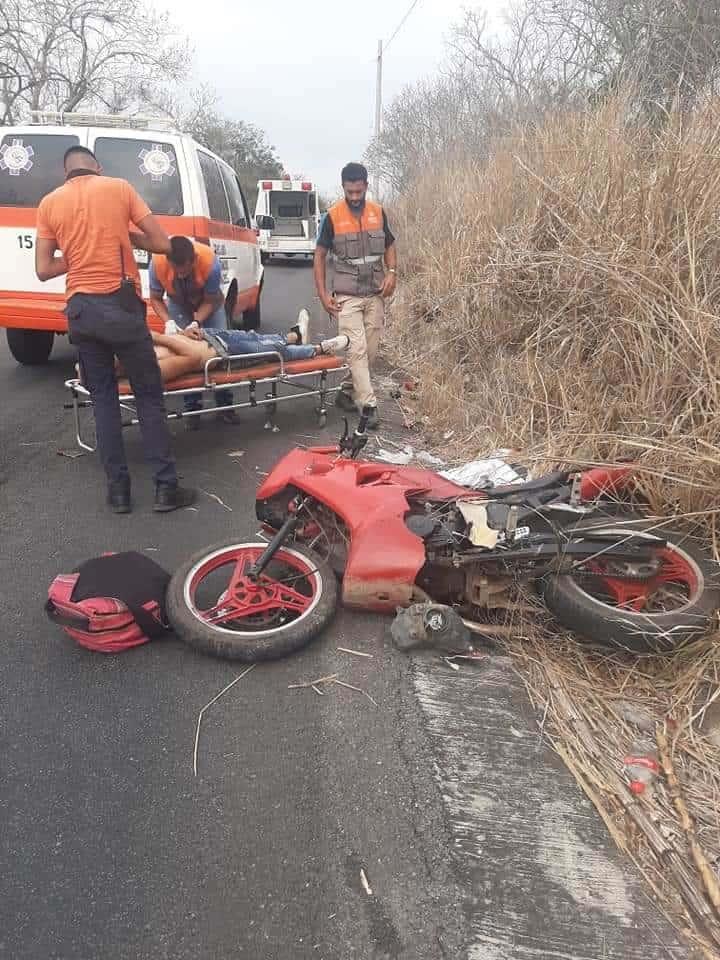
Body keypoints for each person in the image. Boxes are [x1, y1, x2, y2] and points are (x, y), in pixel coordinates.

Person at [35, 145, 196, 515]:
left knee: (104, 402)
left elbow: (43, 269)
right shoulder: (119, 188)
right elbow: (162, 243)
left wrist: (74, 256)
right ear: (97, 168)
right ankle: (165, 488)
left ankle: (118, 492)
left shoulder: (49, 204)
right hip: (121, 306)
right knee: (148, 396)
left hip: (81, 310)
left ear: (66, 173)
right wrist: (127, 237)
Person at [313, 162, 397, 430]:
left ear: (366, 187)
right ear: (343, 188)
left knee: (370, 351)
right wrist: (324, 295)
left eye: (359, 192)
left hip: (374, 292)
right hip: (346, 296)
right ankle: (368, 405)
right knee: (357, 349)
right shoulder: (332, 216)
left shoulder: (378, 212)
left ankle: (347, 390)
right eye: (350, 192)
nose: (355, 198)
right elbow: (319, 256)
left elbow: (390, 244)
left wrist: (392, 272)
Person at [149, 236, 235, 427]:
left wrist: (196, 322)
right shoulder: (157, 262)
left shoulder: (210, 263)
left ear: (194, 260)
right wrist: (169, 322)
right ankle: (192, 407)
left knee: (220, 351)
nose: (180, 276)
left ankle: (225, 405)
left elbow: (210, 301)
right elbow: (155, 298)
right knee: (184, 356)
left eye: (185, 272)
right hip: (178, 304)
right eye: (176, 271)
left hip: (209, 304)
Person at [144, 313, 349, 385]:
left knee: (255, 336)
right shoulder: (150, 369)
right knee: (274, 352)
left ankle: (295, 335)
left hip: (209, 335)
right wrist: (159, 337)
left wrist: (181, 334)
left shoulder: (140, 348)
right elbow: (192, 357)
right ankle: (319, 349)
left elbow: (181, 345)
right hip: (222, 354)